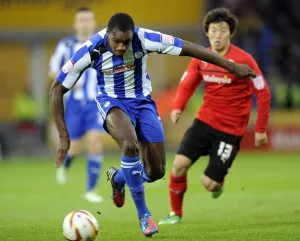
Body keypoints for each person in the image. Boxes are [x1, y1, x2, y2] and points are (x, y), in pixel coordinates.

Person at [49, 12, 256, 237]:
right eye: (116, 41)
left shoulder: (145, 38)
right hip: (112, 102)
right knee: (129, 145)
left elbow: (189, 48)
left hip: (143, 102)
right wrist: (63, 136)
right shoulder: (92, 48)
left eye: (125, 42)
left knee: (156, 171)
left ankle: (118, 178)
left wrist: (231, 67)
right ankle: (144, 215)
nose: (120, 47)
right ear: (108, 35)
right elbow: (56, 89)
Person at [158, 8, 271, 225]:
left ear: (231, 34)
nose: (218, 35)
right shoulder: (202, 57)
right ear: (207, 34)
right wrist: (178, 107)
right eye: (213, 30)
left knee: (208, 183)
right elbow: (188, 82)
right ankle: (175, 214)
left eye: (222, 30)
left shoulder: (244, 60)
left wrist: (260, 128)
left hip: (230, 130)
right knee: (179, 165)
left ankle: (218, 181)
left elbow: (263, 91)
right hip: (204, 122)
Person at [48, 7, 104, 203]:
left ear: (94, 22)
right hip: (73, 104)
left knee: (96, 142)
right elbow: (52, 71)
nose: (85, 23)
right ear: (75, 24)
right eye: (81, 20)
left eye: (88, 19)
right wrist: (68, 80)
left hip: (96, 102)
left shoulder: (104, 44)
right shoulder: (66, 45)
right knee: (74, 147)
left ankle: (91, 190)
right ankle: (66, 165)